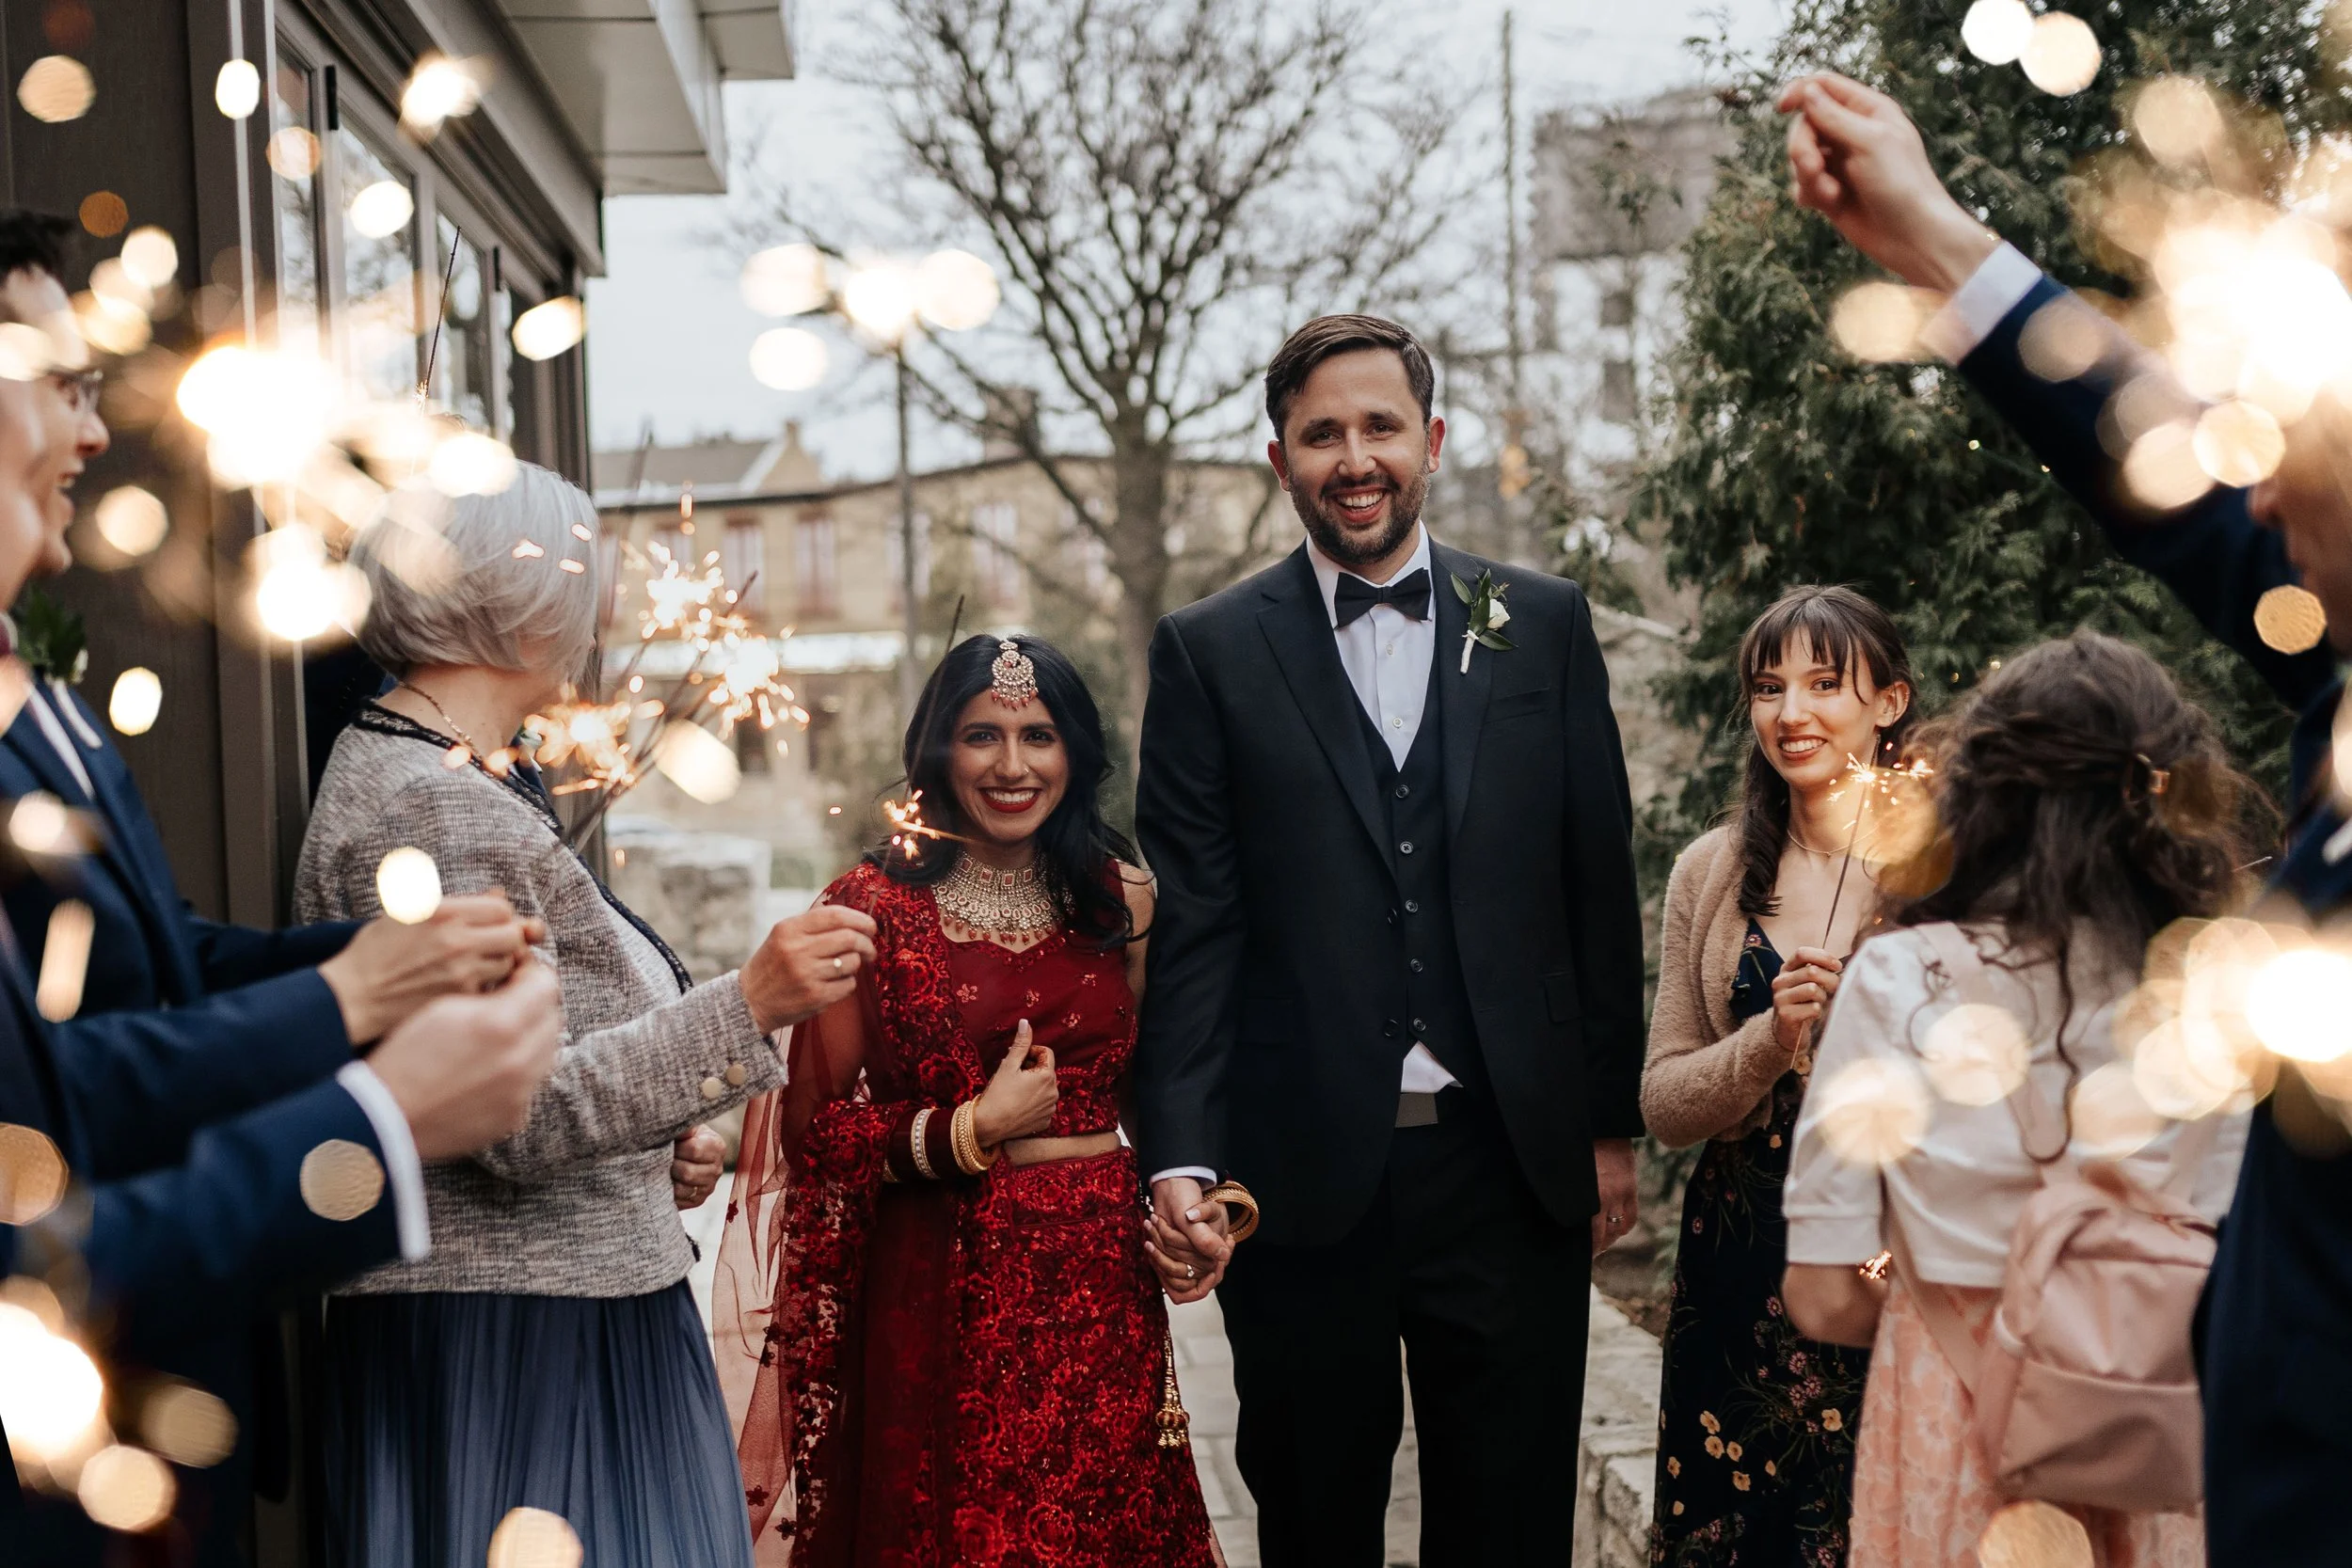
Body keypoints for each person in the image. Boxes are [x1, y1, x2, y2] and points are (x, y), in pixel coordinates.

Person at [1776, 71, 2352, 1560]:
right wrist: (1945, 253)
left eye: (2291, 436)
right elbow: (2184, 501)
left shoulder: (1902, 978)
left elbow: (1824, 1284)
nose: (2259, 482)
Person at [0, 325, 567, 1557]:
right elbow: (58, 1105)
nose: (89, 432)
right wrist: (372, 1099)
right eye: (55, 390)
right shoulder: (418, 790)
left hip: (169, 1363)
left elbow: (166, 961)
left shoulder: (46, 701)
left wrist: (369, 960)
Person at [293, 461, 880, 1568]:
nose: (593, 604)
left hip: (561, 1296)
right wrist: (750, 1001)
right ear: (508, 595)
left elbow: (545, 1066)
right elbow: (509, 1114)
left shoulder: (459, 776)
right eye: (577, 569)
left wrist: (658, 1135)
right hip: (521, 1336)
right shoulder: (431, 804)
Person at [1131, 312, 1646, 1564]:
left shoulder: (1542, 622)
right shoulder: (1209, 652)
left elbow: (1596, 887)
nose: (1353, 457)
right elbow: (1198, 931)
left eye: (1379, 426)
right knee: (1313, 1516)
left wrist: (1606, 1124)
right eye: (1321, 434)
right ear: (1279, 458)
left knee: (1512, 1520)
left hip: (1508, 1164)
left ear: (1433, 439)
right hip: (1297, 1177)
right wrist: (1182, 1152)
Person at [719, 632, 1218, 1566]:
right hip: (935, 1285)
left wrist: (1186, 1200)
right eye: (982, 734)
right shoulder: (867, 906)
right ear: (938, 749)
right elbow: (812, 1132)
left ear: (1077, 749)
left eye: (1040, 735)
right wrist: (965, 1130)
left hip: (1096, 1289)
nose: (1013, 764)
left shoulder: (1125, 901)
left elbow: (1165, 1092)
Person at [1780, 632, 2248, 1565]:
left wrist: (1952, 1326)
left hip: (1956, 1445)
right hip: (2156, 1443)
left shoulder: (1898, 977)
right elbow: (2242, 1269)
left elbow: (1823, 1294)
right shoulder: (2218, 991)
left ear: (1977, 792)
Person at [1643, 585, 1914, 1568]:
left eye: (1821, 682)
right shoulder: (1710, 871)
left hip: (1900, 1253)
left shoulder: (1953, 865)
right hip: (1738, 1259)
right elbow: (1664, 1103)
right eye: (1767, 686)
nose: (1789, 711)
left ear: (1888, 700)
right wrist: (1768, 1037)